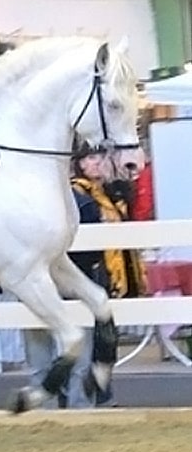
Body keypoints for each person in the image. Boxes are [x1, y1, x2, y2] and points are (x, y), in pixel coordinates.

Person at [23, 144, 146, 408]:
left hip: (63, 279)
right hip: (70, 279)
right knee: (69, 352)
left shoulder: (102, 195)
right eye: (92, 157)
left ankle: (65, 406)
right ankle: (79, 405)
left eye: (100, 157)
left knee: (59, 353)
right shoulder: (83, 197)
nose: (98, 162)